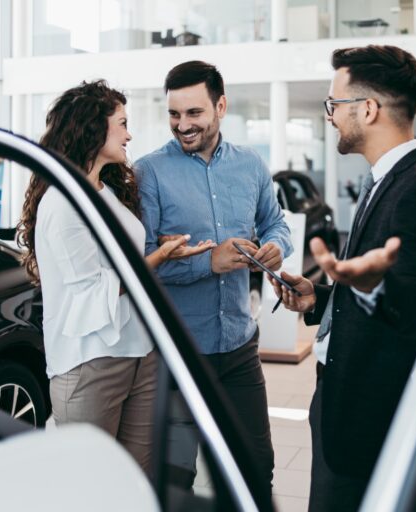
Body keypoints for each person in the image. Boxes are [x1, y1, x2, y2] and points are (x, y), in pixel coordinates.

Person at [269, 45, 416, 511]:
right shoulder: (389, 180)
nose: (329, 117)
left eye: (334, 106)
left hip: (370, 423)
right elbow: (373, 284)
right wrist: (318, 297)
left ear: (368, 109)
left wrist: (375, 286)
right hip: (346, 409)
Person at [17, 80, 214, 474]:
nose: (129, 134)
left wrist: (162, 244)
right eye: (122, 123)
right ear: (94, 128)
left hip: (138, 352)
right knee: (89, 486)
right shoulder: (62, 202)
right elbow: (95, 288)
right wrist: (160, 257)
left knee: (134, 479)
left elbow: (118, 255)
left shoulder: (106, 191)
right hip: (90, 362)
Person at [135, 61, 292, 493]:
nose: (182, 125)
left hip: (240, 348)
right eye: (174, 114)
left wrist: (278, 246)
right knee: (176, 476)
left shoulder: (251, 165)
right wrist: (209, 263)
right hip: (179, 355)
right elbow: (143, 263)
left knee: (255, 468)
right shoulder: (148, 173)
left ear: (220, 106)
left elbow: (275, 222)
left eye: (194, 113)